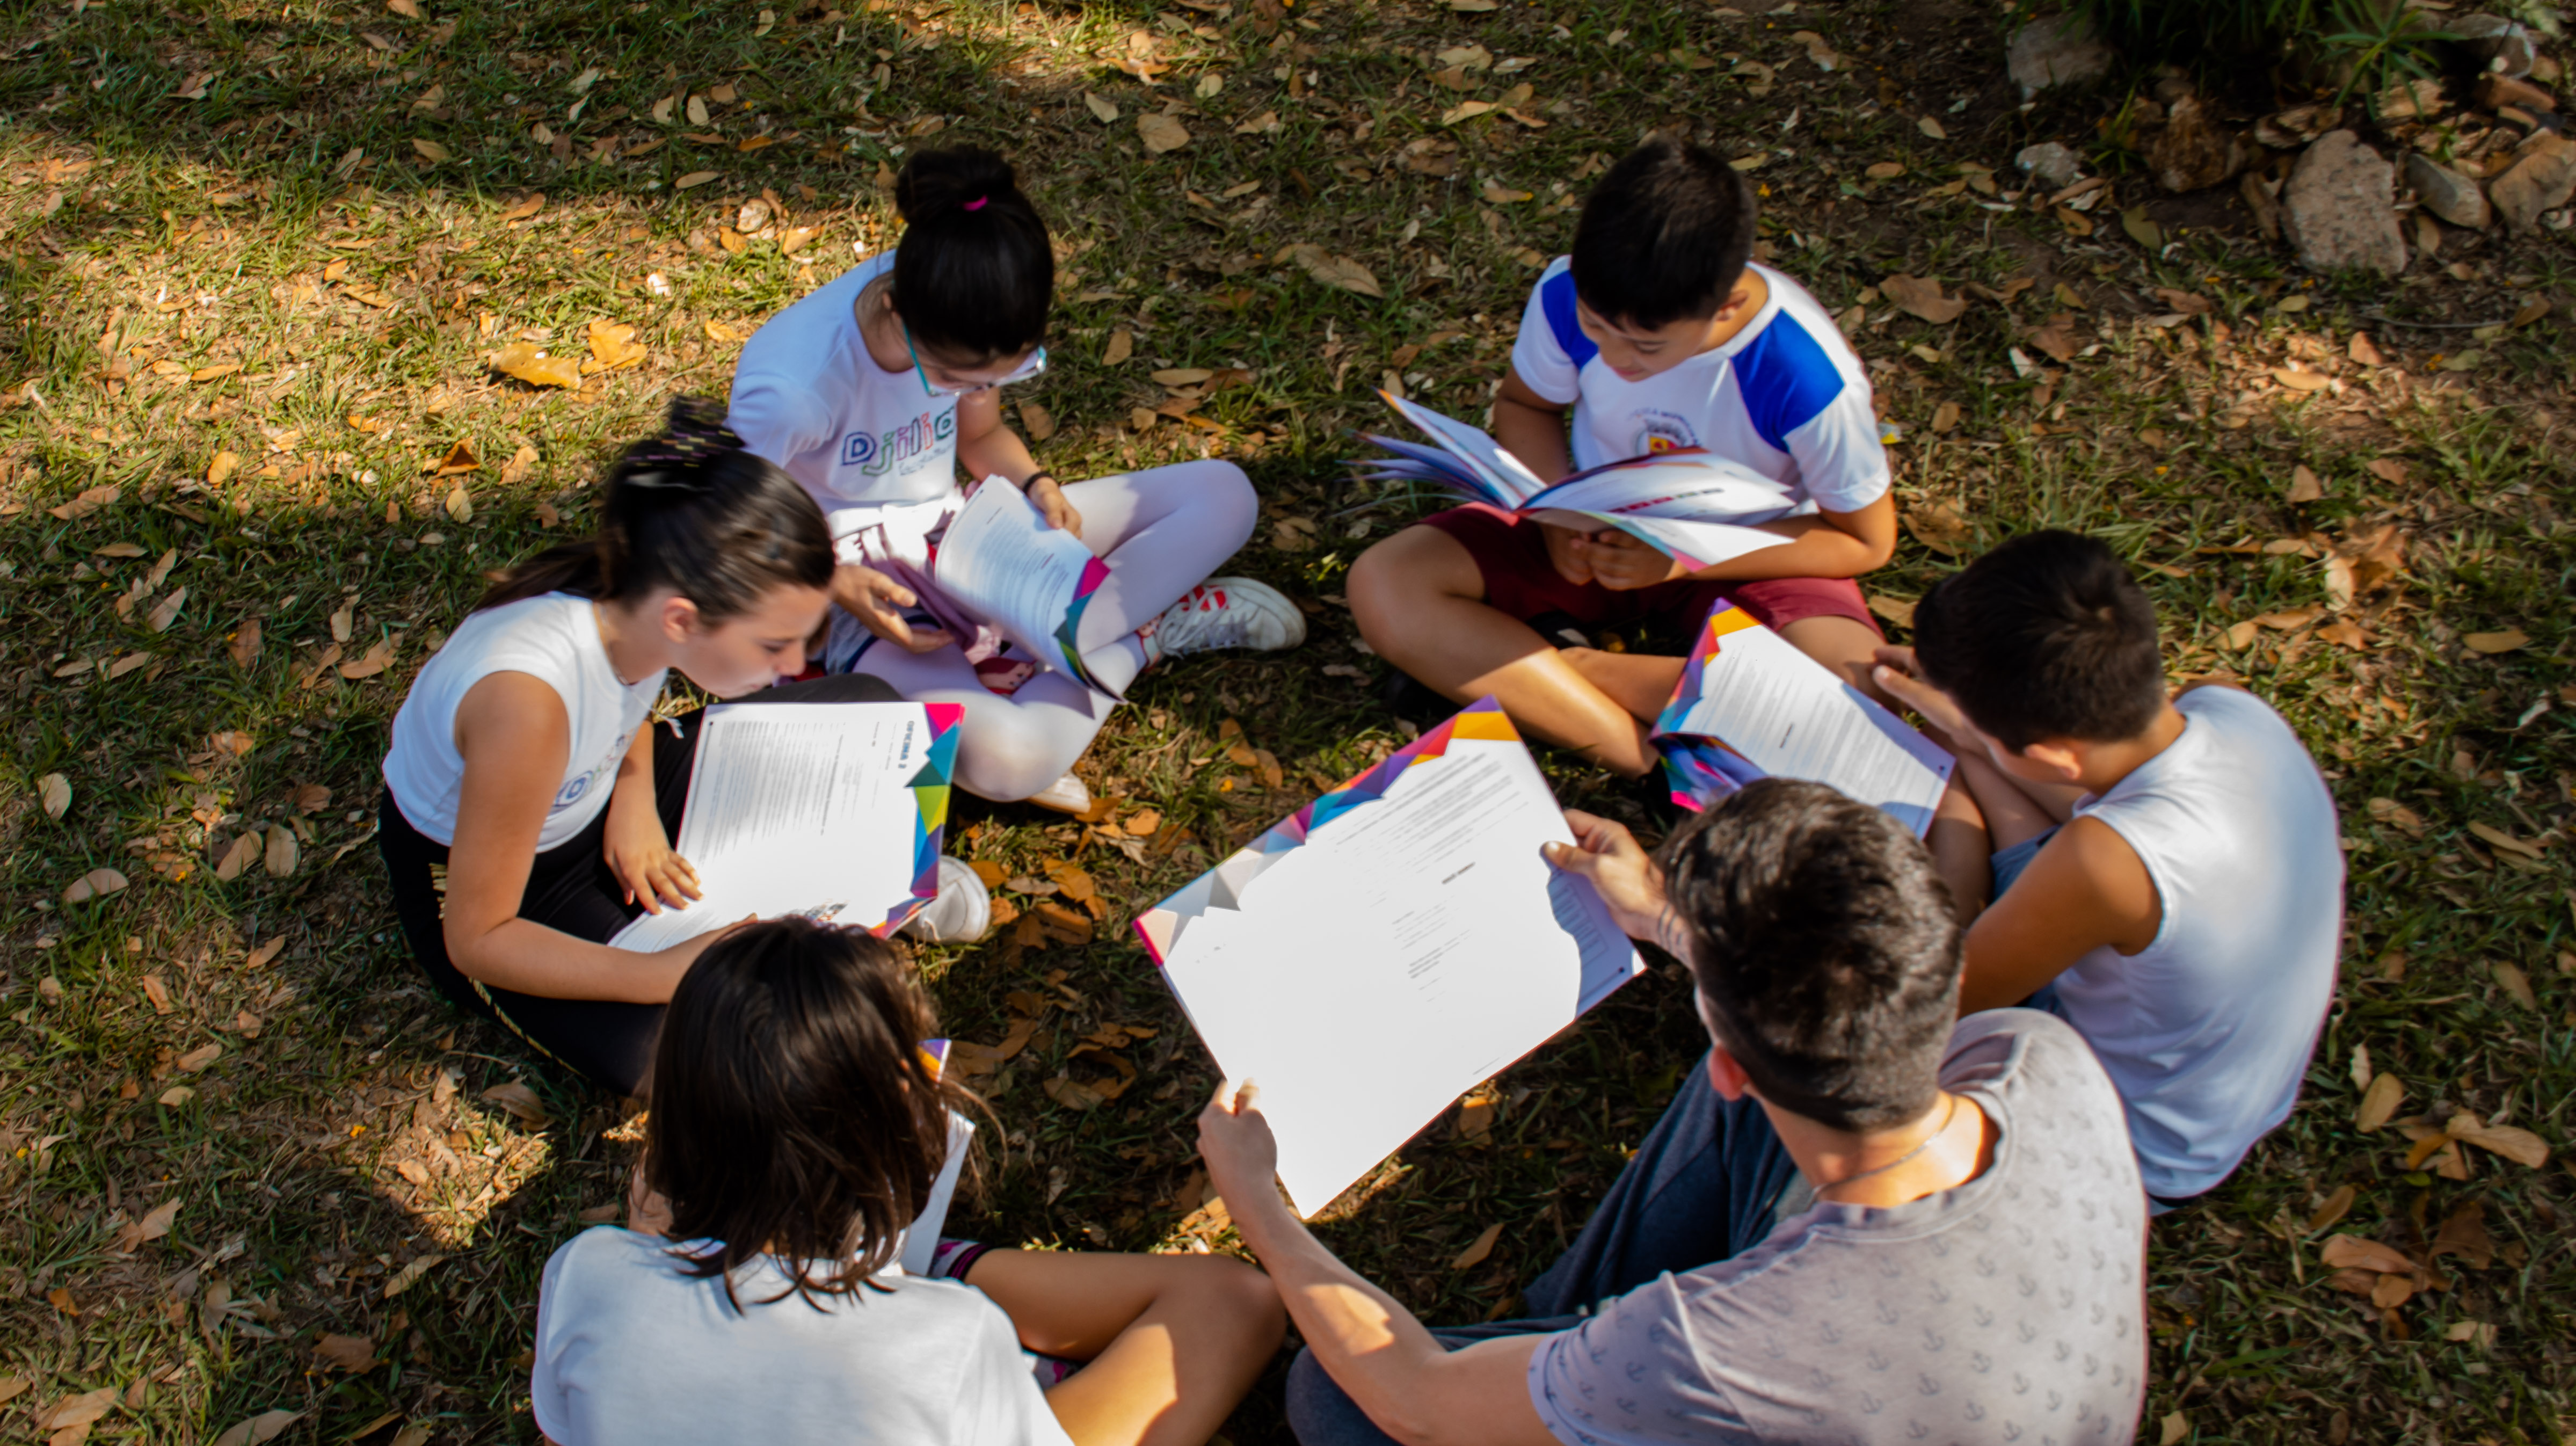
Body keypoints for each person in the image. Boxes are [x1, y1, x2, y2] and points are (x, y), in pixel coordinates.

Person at [1195, 778, 2149, 1446]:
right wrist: (1660, 918)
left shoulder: (1713, 1344)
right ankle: (1563, 1345)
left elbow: (1416, 1405)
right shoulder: (2041, 1057)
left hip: (1763, 1358)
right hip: (1946, 1365)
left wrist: (1261, 1211)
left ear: (1726, 1065)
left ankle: (1560, 1361)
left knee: (1333, 1396)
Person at [378, 402, 991, 1099]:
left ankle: (881, 891)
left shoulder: (633, 600)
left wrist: (633, 800)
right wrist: (666, 972)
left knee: (869, 709)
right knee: (677, 1060)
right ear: (682, 618)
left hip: (598, 793)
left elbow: (620, 706)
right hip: (511, 887)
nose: (792, 664)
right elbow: (479, 937)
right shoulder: (527, 710)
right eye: (772, 644)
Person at [532, 917, 1285, 1446]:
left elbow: (566, 1426)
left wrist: (645, 1245)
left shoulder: (588, 1273)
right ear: (896, 1134)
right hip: (922, 1352)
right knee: (1232, 1301)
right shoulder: (950, 1340)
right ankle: (935, 1269)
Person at [727, 146, 1304, 812]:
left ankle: (1048, 647)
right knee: (1008, 762)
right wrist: (830, 582)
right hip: (858, 584)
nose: (975, 392)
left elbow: (979, 437)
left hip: (963, 535)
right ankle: (1143, 636)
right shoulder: (794, 388)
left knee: (1225, 494)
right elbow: (725, 521)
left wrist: (1037, 486)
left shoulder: (963, 291)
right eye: (954, 379)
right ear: (894, 309)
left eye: (998, 378)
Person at [1348, 134, 1899, 781]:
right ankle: (1645, 761)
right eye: (1596, 327)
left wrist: (1683, 559)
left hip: (1749, 551)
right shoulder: (1564, 293)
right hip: (1589, 528)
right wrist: (1559, 515)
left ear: (1728, 306)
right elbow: (1526, 406)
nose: (1613, 359)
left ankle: (1552, 671)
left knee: (1857, 688)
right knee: (1386, 583)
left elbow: (1863, 542)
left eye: (1645, 344)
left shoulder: (1801, 372)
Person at [1871, 529, 2344, 1209]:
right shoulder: (2232, 708)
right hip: (2213, 1088)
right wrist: (1970, 732)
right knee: (1960, 763)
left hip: (2130, 1149)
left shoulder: (2105, 860)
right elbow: (2092, 793)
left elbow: (1942, 1008)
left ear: (2054, 754)